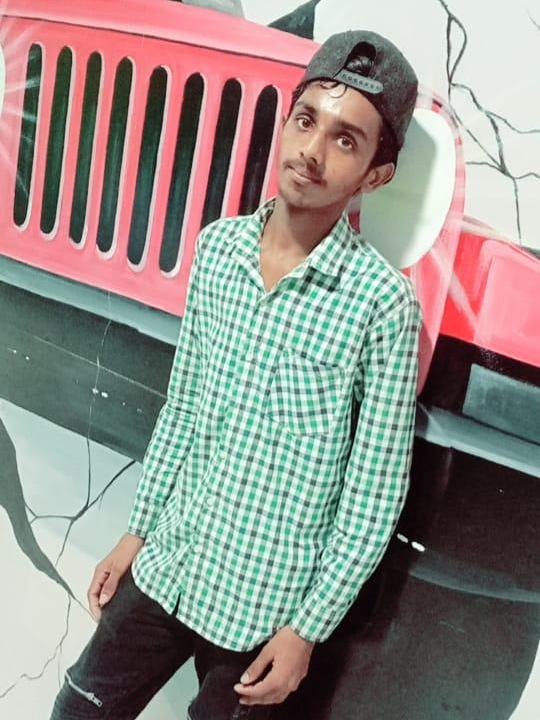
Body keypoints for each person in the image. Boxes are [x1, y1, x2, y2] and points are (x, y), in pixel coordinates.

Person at [50, 29, 421, 720]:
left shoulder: (382, 304)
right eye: (305, 121)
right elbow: (184, 405)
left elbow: (373, 492)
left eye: (346, 140)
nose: (312, 151)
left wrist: (307, 629)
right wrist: (137, 531)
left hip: (264, 608)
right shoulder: (218, 250)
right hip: (173, 561)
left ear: (376, 175)